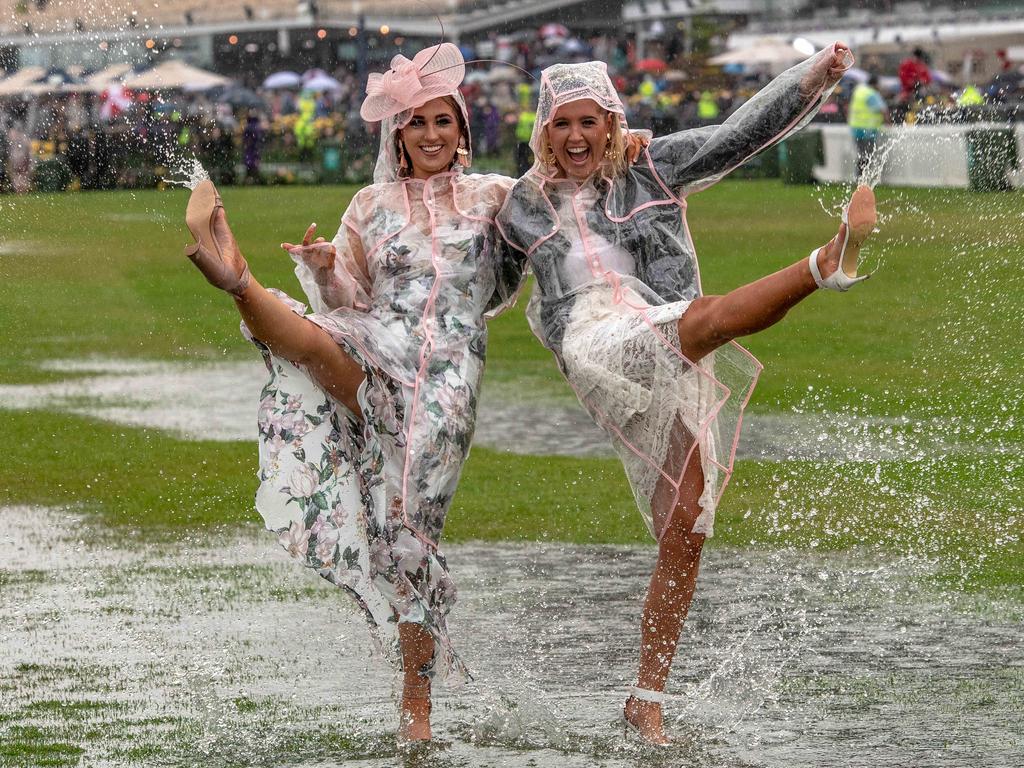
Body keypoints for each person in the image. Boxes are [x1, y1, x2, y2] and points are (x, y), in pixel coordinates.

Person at [497, 43, 874, 745]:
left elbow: (740, 134)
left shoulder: (652, 166)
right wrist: (338, 282)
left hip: (661, 342)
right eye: (561, 125)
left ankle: (646, 698)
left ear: (611, 123)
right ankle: (825, 265)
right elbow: (470, 290)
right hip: (595, 344)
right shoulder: (516, 206)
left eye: (590, 122)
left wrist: (814, 76)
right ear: (542, 131)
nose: (576, 138)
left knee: (688, 525)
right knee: (702, 322)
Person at [181, 44, 528, 742]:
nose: (431, 134)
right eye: (417, 123)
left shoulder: (497, 197)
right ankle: (234, 274)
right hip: (379, 340)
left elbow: (552, 215)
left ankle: (416, 704)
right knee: (311, 341)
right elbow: (351, 298)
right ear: (395, 134)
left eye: (443, 121)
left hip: (449, 375)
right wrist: (324, 269)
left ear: (462, 129)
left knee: (406, 536)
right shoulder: (370, 204)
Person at [848, 74, 889, 178]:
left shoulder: (859, 91)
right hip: (868, 129)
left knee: (861, 153)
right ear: (875, 84)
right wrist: (889, 122)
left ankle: (859, 177)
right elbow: (883, 110)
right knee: (867, 154)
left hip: (856, 128)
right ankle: (862, 177)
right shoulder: (872, 94)